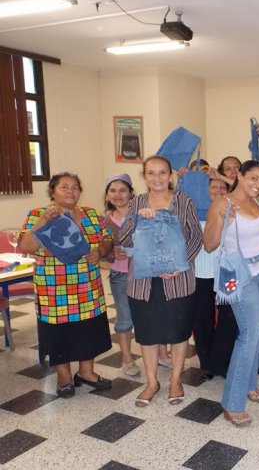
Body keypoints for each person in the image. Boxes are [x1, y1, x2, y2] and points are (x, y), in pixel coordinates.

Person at [19, 172, 114, 398]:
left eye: (75, 187)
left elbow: (108, 239)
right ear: (53, 192)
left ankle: (86, 372)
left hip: (88, 287)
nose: (70, 191)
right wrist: (44, 222)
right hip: (54, 289)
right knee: (59, 333)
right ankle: (63, 376)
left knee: (88, 330)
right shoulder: (37, 215)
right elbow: (26, 245)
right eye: (64, 187)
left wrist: (99, 251)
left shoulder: (92, 215)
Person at [120, 156, 202, 407]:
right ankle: (152, 382)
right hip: (144, 282)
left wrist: (177, 266)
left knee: (179, 333)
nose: (157, 178)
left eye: (162, 173)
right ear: (144, 176)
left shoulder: (183, 201)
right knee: (148, 334)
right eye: (151, 173)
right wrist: (137, 222)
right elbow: (124, 240)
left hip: (178, 281)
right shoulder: (136, 203)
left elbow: (195, 238)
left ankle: (175, 380)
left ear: (170, 175)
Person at [204, 160, 259, 427]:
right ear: (240, 176)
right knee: (249, 335)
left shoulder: (256, 201)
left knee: (256, 330)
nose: (257, 184)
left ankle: (248, 384)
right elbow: (209, 244)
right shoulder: (223, 204)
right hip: (241, 276)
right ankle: (232, 403)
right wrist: (223, 220)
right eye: (253, 178)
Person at [192, 177, 238, 380]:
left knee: (228, 318)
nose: (219, 190)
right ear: (206, 189)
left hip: (227, 272)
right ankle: (206, 362)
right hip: (201, 272)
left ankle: (221, 360)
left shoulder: (233, 210)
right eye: (214, 186)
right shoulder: (194, 211)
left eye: (223, 187)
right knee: (203, 320)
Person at [103, 173, 140, 377]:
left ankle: (161, 354)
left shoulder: (142, 214)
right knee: (125, 318)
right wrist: (110, 253)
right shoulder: (105, 222)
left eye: (123, 190)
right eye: (113, 190)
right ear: (107, 195)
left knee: (150, 316)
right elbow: (100, 250)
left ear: (131, 193)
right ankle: (127, 359)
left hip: (146, 273)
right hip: (121, 274)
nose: (118, 195)